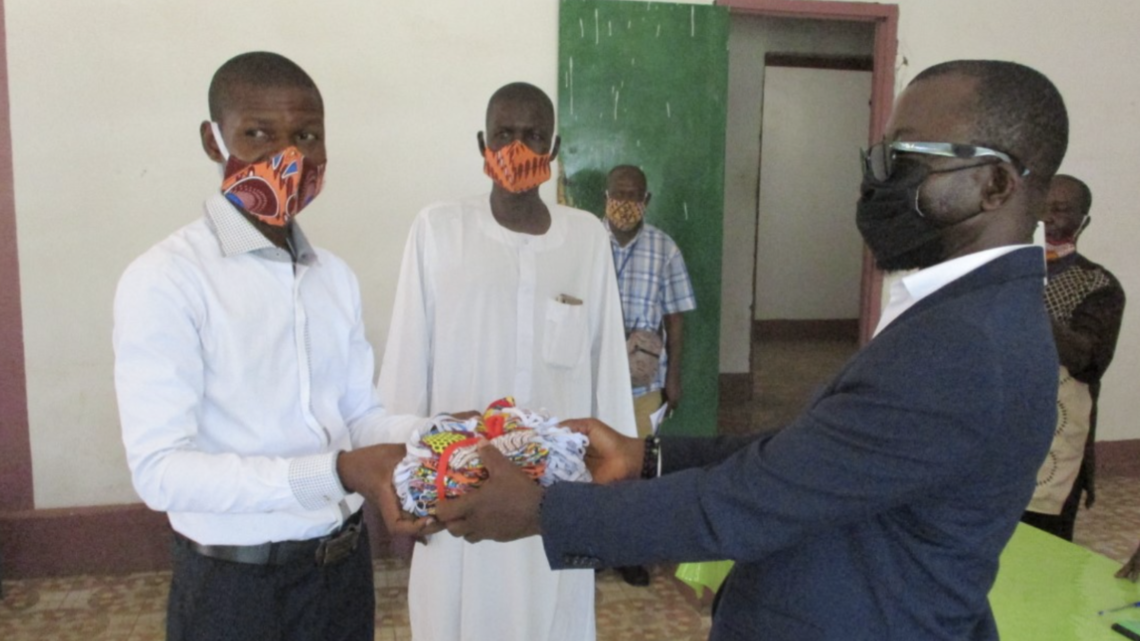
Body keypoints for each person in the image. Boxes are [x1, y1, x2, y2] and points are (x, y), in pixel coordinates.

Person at [434, 59, 1067, 641]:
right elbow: (810, 458)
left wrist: (546, 512)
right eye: (877, 157)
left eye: (902, 160)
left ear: (995, 184)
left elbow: (750, 501)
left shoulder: (966, 346)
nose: (876, 179)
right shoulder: (970, 315)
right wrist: (645, 456)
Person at [114, 52, 427, 641]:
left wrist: (437, 434)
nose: (288, 157)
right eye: (258, 134)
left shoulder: (333, 277)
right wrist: (335, 473)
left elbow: (359, 419)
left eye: (307, 136)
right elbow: (160, 471)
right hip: (235, 592)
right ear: (212, 140)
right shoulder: (167, 280)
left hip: (341, 577)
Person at [377, 82, 636, 641]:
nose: (518, 148)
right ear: (483, 144)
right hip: (457, 486)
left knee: (553, 619)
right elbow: (405, 369)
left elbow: (608, 368)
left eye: (534, 136)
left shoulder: (586, 239)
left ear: (554, 147)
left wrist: (613, 497)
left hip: (555, 494)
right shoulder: (439, 230)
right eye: (504, 134)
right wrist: (403, 481)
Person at [603, 164, 696, 586]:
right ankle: (595, 546)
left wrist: (672, 378)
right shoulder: (586, 242)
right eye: (618, 194)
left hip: (643, 381)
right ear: (605, 198)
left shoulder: (665, 249)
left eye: (634, 195)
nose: (625, 203)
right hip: (594, 381)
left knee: (638, 469)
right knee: (593, 464)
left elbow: (675, 319)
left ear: (647, 201)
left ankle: (629, 553)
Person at [1021, 175, 1125, 541]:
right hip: (994, 432)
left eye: (1061, 209)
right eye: (1041, 208)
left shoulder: (1098, 285)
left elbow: (1090, 360)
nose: (1048, 217)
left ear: (1084, 221)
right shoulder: (999, 271)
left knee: (1042, 544)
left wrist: (1029, 299)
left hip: (1054, 441)